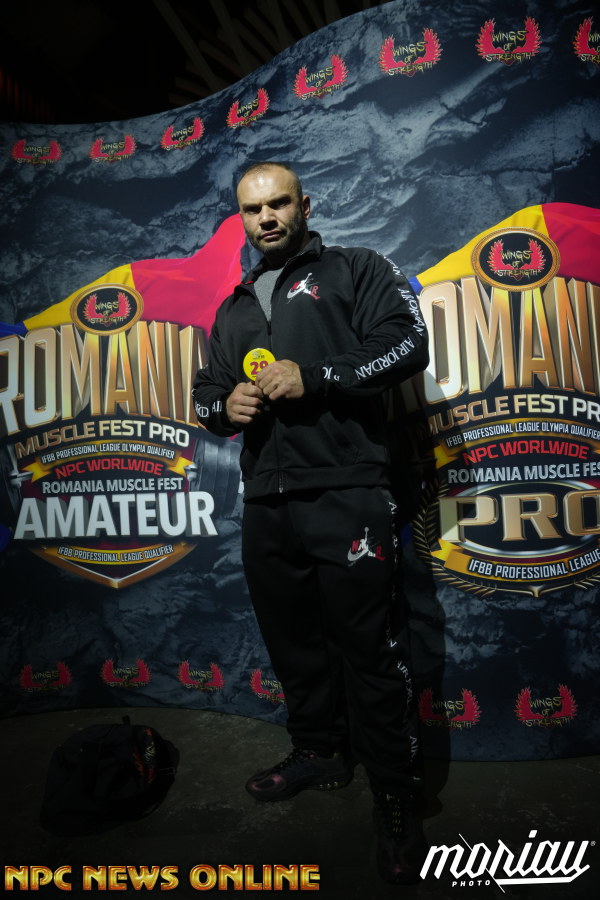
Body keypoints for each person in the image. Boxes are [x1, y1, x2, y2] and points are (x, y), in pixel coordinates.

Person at [192, 162, 430, 885]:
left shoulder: (356, 268)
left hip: (348, 491)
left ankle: (396, 799)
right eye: (252, 209)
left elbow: (407, 342)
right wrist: (223, 408)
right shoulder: (233, 306)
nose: (266, 217)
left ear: (305, 204)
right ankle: (320, 752)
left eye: (278, 203)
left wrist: (317, 375)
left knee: (370, 652)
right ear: (241, 218)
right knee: (295, 646)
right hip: (267, 502)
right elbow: (204, 394)